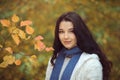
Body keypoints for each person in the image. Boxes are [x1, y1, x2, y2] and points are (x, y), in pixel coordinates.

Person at [45, 12, 112, 80]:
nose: (65, 36)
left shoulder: (91, 63)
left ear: (79, 32)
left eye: (71, 31)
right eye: (61, 32)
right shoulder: (54, 60)